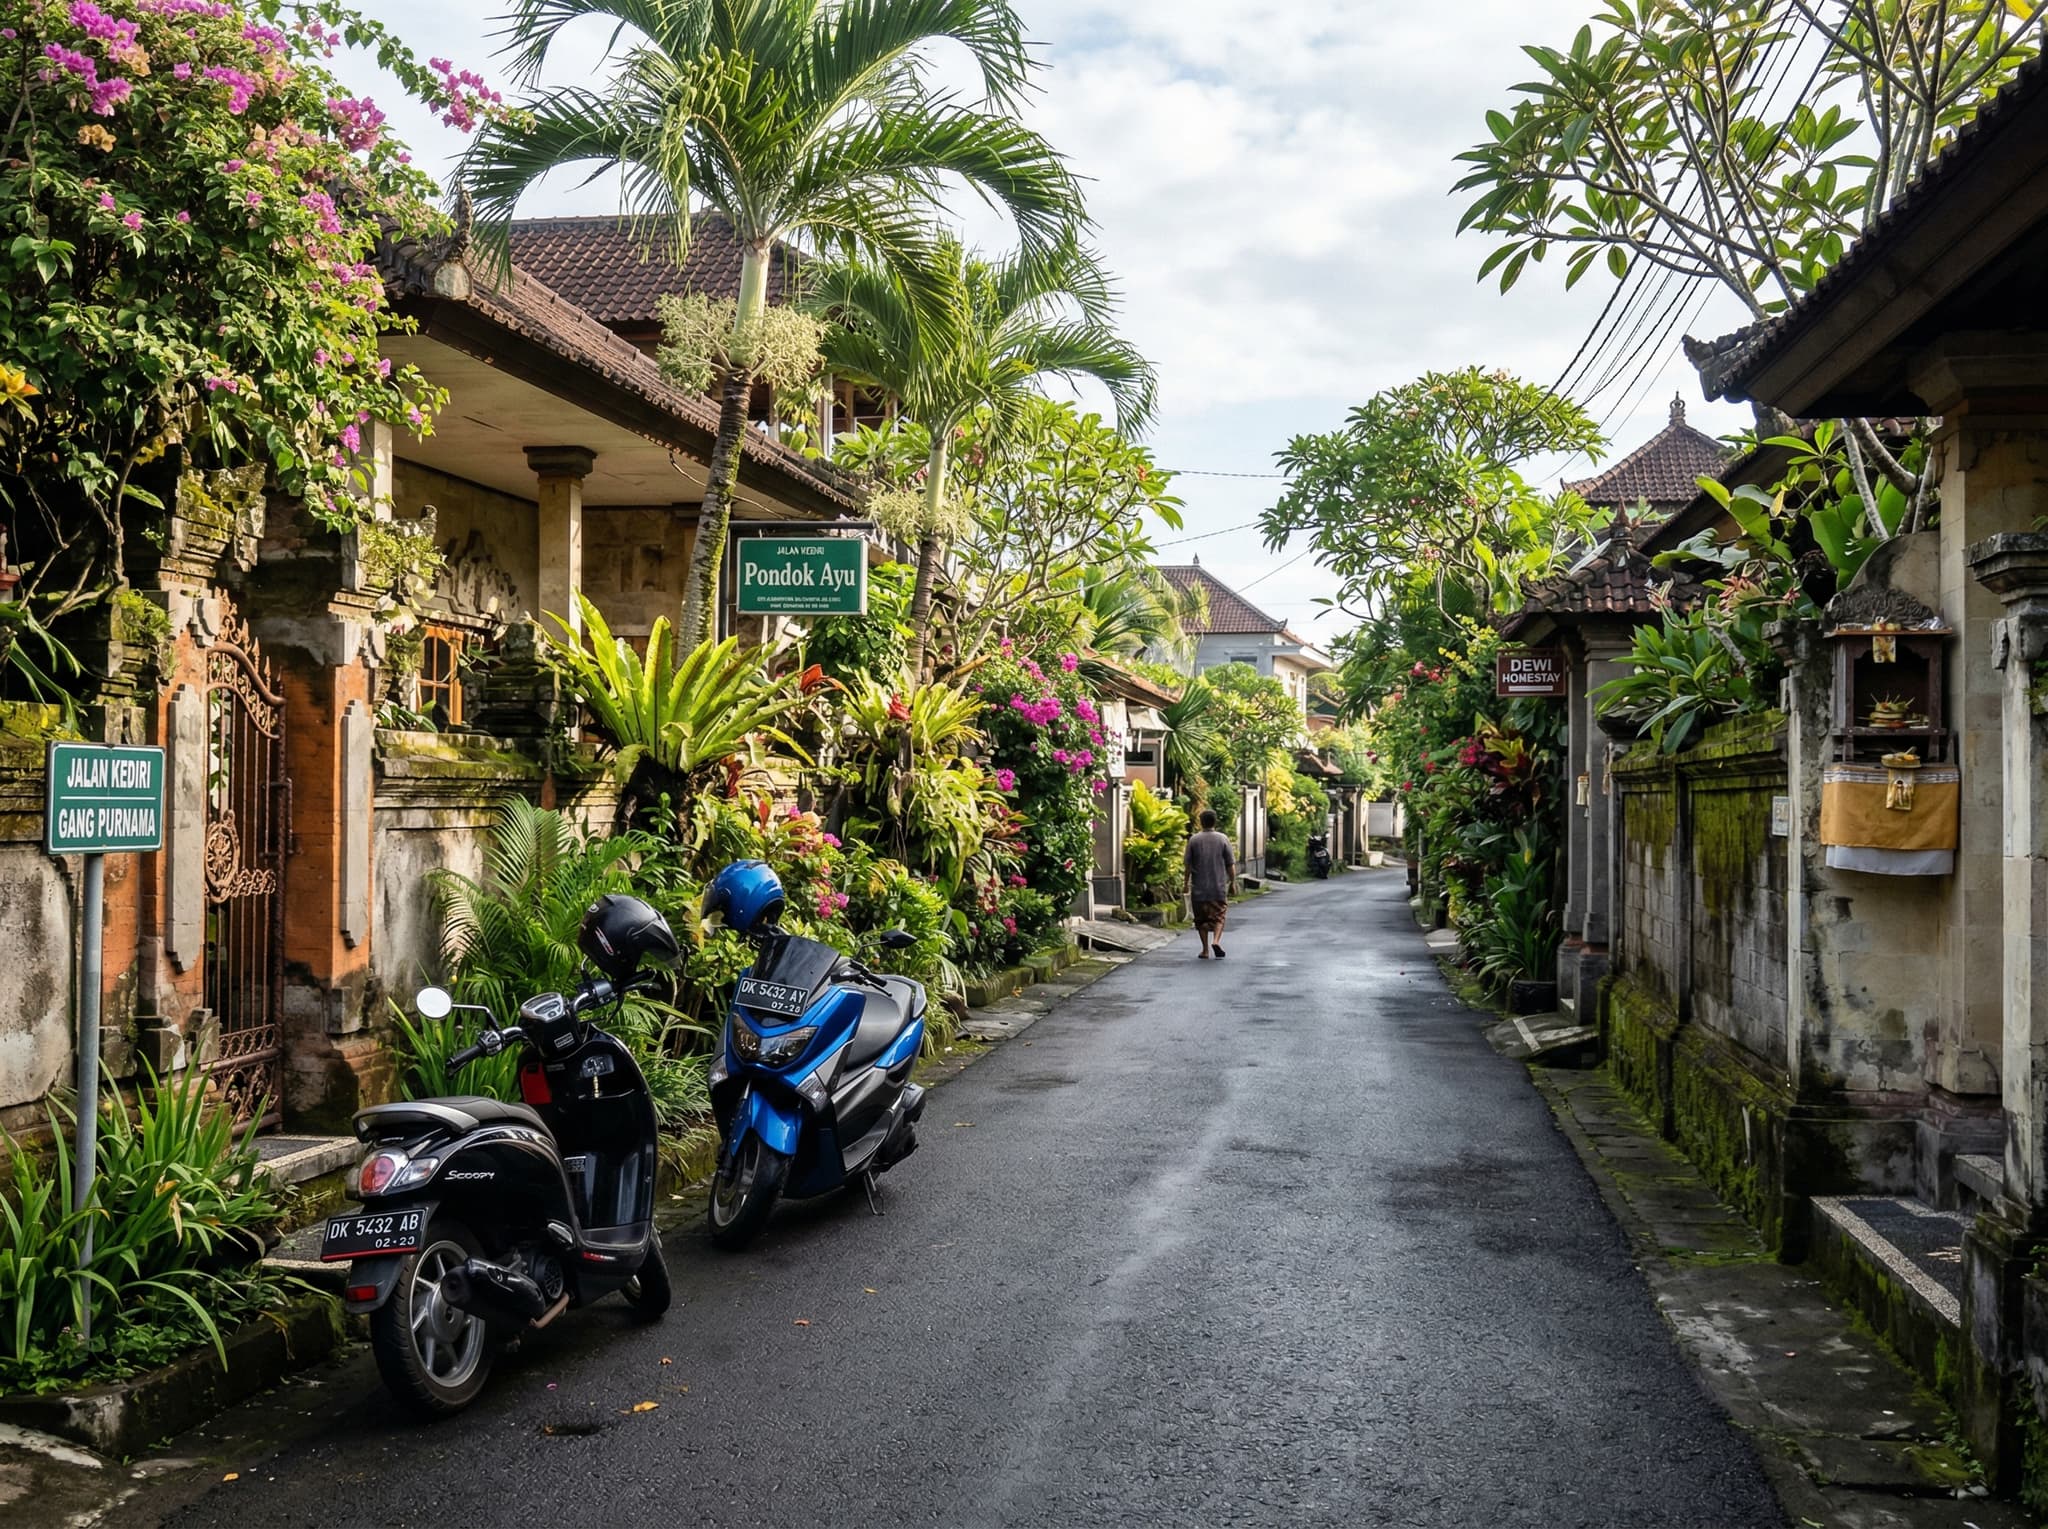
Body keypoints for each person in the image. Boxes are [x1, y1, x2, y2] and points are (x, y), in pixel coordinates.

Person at [1183, 808, 1236, 959]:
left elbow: (1188, 865)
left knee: (1201, 920)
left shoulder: (1194, 840)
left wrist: (1186, 883)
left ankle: (1205, 950)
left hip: (1199, 888)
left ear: (1201, 822)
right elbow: (1230, 864)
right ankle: (1216, 941)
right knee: (1219, 916)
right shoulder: (1223, 839)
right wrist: (1232, 882)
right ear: (1215, 821)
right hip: (1217, 887)